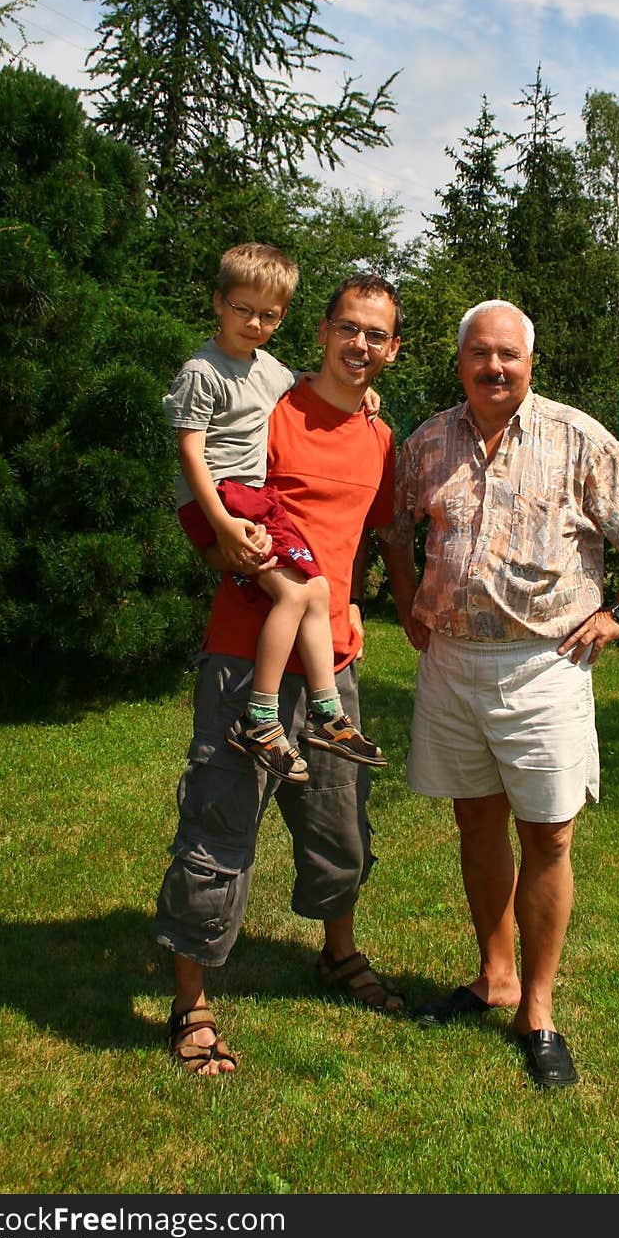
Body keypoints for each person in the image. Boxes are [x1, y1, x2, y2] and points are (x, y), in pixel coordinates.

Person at [378, 299, 619, 1090]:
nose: (495, 368)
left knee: (548, 835)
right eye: (480, 354)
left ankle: (538, 1010)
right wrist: (407, 590)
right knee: (475, 819)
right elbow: (391, 521)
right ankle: (495, 976)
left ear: (530, 360)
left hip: (544, 663)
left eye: (509, 354)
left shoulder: (577, 436)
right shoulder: (430, 440)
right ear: (459, 364)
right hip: (451, 662)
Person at [154, 273, 405, 1074]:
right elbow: (207, 491)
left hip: (334, 658)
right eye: (348, 328)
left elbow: (364, 530)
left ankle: (338, 953)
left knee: (341, 828)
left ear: (392, 350)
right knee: (218, 827)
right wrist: (218, 544)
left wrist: (358, 600)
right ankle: (190, 1000)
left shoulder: (381, 437)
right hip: (244, 654)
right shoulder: (273, 407)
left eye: (377, 334)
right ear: (322, 332)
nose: (360, 344)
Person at [163, 242, 385, 784]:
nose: (253, 323)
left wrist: (367, 393)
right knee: (294, 589)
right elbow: (189, 450)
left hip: (256, 510)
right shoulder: (202, 370)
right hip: (225, 499)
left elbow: (314, 384)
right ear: (218, 302)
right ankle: (261, 717)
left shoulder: (275, 374)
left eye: (267, 315)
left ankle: (327, 711)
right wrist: (220, 526)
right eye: (242, 309)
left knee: (318, 589)